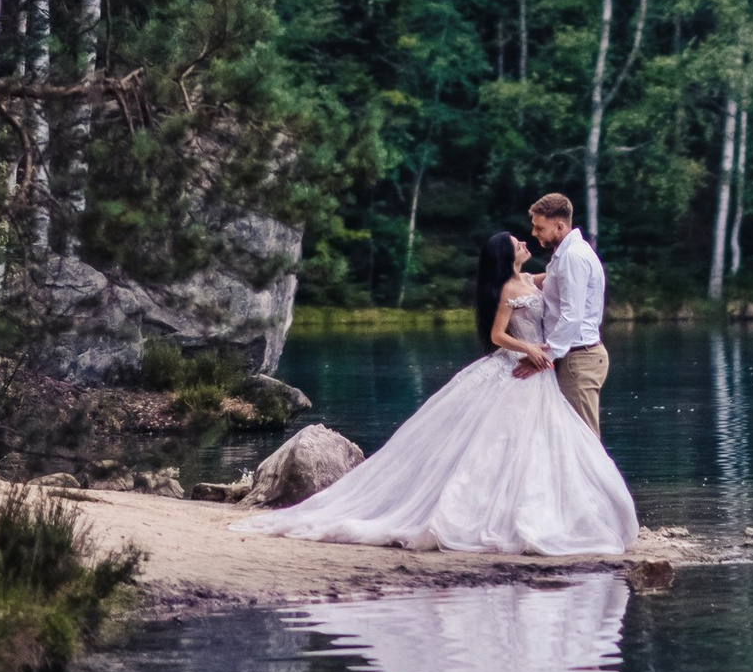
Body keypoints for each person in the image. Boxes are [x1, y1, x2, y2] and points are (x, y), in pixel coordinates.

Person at [234, 225, 637, 559]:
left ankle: (548, 510)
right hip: (518, 367)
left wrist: (575, 251)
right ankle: (493, 515)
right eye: (518, 243)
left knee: (536, 445)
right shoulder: (507, 292)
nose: (525, 243)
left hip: (541, 372)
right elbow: (498, 335)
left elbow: (566, 274)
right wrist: (530, 348)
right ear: (505, 255)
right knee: (501, 444)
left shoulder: (528, 280)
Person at [512, 192, 610, 435]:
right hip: (573, 356)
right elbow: (548, 287)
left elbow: (572, 315)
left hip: (579, 359)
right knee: (570, 438)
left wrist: (544, 358)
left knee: (585, 439)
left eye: (539, 227)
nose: (534, 233)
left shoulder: (573, 257)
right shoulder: (565, 254)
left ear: (559, 225)